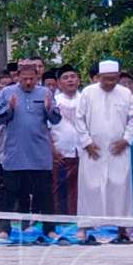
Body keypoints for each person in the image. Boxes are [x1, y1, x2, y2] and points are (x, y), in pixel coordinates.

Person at [0, 63, 61, 242]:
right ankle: (4, 229)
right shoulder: (7, 93)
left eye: (32, 79)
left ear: (37, 77)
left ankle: (49, 229)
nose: (28, 82)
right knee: (9, 192)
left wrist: (48, 109)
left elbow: (56, 119)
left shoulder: (45, 93)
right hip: (15, 152)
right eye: (25, 79)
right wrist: (9, 108)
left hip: (39, 153)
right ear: (18, 77)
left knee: (44, 193)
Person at [74, 60, 133, 245]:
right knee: (90, 188)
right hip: (93, 150)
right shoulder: (88, 92)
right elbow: (79, 119)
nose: (110, 83)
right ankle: (84, 229)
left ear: (118, 77)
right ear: (99, 77)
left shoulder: (126, 94)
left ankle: (123, 230)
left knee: (120, 188)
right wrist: (86, 143)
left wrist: (126, 140)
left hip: (119, 150)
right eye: (106, 79)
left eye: (113, 79)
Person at [50, 65, 82, 216]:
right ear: (59, 82)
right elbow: (46, 129)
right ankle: (60, 222)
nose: (70, 80)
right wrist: (52, 149)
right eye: (65, 77)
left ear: (79, 80)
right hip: (61, 152)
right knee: (59, 189)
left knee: (81, 190)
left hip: (84, 153)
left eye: (73, 76)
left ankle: (82, 222)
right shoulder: (54, 102)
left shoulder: (86, 100)